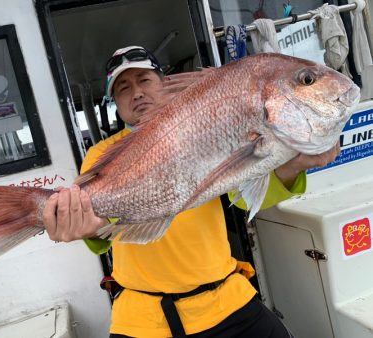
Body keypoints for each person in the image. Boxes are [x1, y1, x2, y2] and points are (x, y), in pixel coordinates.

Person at [43, 46, 339, 337]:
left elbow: (243, 197)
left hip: (224, 298)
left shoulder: (205, 122)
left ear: (163, 83)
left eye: (144, 80)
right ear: (115, 103)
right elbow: (100, 231)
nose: (136, 93)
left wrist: (293, 166)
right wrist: (86, 229)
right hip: (143, 316)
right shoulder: (102, 153)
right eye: (123, 88)